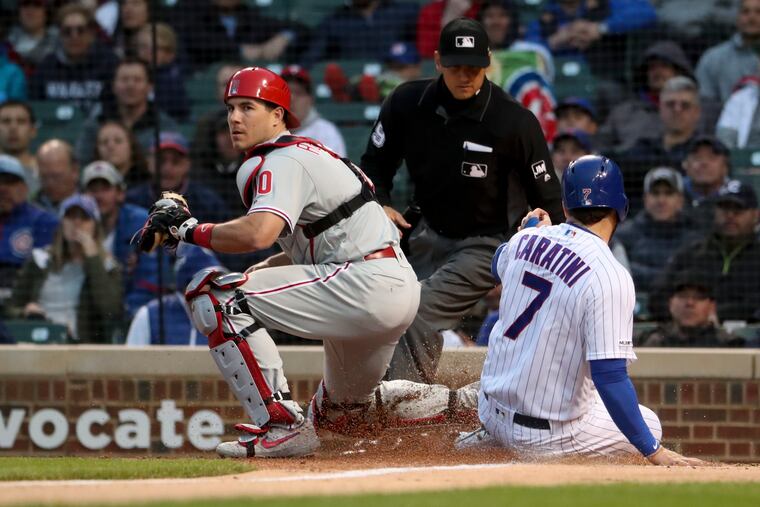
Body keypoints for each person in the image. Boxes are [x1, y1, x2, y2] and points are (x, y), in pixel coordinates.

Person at [133, 66, 477, 458]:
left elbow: (258, 233)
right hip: (386, 283)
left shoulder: (279, 160)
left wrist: (188, 229)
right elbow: (331, 233)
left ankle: (280, 425)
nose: (235, 118)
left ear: (278, 114)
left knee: (219, 298)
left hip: (363, 283)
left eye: (248, 107)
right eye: (230, 108)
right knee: (342, 416)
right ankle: (470, 404)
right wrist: (276, 263)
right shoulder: (308, 153)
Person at [458, 155, 707, 466]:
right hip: (547, 438)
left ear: (565, 207)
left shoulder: (526, 239)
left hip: (491, 411)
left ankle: (493, 439)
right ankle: (540, 464)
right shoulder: (610, 274)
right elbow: (610, 376)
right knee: (649, 423)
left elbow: (498, 263)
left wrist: (531, 232)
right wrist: (653, 450)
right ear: (622, 208)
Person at [361, 18, 564, 383]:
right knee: (380, 309)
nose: (465, 76)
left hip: (486, 244)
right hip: (423, 230)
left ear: (488, 60)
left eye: (474, 66)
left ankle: (401, 409)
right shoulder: (407, 102)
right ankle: (370, 403)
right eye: (456, 66)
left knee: (415, 312)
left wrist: (529, 257)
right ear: (438, 61)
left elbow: (549, 201)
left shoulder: (513, 121)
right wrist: (381, 203)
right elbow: (374, 164)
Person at [9, 194, 122, 343]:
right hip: (38, 340)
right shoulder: (39, 260)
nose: (76, 223)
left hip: (79, 345)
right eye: (70, 217)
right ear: (61, 223)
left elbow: (109, 309)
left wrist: (93, 257)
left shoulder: (108, 266)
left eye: (84, 218)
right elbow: (10, 307)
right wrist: (24, 312)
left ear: (95, 226)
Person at [650, 180, 760, 323]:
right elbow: (656, 298)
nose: (730, 216)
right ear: (715, 211)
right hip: (691, 338)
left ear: (756, 215)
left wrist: (712, 313)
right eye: (725, 209)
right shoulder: (692, 253)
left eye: (738, 210)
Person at [81, 160, 160, 318]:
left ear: (120, 193)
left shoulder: (140, 223)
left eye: (105, 189)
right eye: (92, 190)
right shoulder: (76, 223)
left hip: (130, 308)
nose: (98, 196)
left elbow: (151, 277)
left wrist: (129, 310)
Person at [618, 76, 702, 213]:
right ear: (660, 108)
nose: (677, 110)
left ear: (697, 112)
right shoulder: (642, 148)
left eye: (685, 105)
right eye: (670, 104)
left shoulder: (705, 151)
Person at [76, 58, 179, 165]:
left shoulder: (164, 126)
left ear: (149, 87)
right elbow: (81, 162)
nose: (130, 86)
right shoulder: (95, 124)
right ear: (114, 86)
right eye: (124, 80)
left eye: (137, 80)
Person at [614, 167, 701, 293]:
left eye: (668, 193)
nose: (661, 200)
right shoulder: (622, 235)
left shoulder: (695, 239)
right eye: (655, 193)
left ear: (680, 200)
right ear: (645, 199)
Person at [597, 41, 694, 153]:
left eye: (664, 66)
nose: (657, 72)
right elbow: (601, 150)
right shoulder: (623, 112)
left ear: (679, 71)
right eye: (652, 67)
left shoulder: (700, 110)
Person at [524, 0, 656, 81]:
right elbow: (524, 51)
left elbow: (646, 13)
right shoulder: (542, 13)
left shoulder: (604, 3)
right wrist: (554, 41)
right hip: (555, 80)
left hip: (601, 78)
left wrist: (600, 28)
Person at [28, 3, 119, 115]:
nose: (74, 36)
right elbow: (37, 108)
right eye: (67, 31)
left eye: (80, 30)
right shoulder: (46, 67)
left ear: (91, 34)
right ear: (60, 34)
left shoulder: (109, 64)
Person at [126, 245, 223, 346]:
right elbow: (132, 360)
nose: (213, 287)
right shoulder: (150, 315)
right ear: (186, 286)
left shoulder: (229, 316)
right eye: (205, 282)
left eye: (216, 280)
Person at [126, 131, 230, 224]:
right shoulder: (132, 201)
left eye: (176, 161)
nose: (167, 168)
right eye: (161, 161)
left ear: (187, 165)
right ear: (148, 163)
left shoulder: (209, 203)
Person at [180, 0, 308, 70]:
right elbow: (197, 40)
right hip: (204, 76)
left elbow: (301, 29)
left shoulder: (248, 15)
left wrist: (284, 37)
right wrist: (239, 50)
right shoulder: (190, 10)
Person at [0, 154, 58, 304]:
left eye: (10, 182)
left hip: (22, 300)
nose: (3, 188)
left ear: (24, 188)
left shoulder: (43, 221)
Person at [300, 0, 419, 68]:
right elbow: (312, 56)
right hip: (352, 80)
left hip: (394, 73)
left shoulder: (403, 11)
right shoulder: (336, 20)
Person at [638, 276, 743, 348]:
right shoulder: (653, 341)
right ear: (670, 303)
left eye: (698, 298)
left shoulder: (729, 344)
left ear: (712, 306)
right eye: (683, 296)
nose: (690, 303)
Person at [696, 0, 760, 104]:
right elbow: (705, 103)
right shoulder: (713, 58)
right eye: (745, 12)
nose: (752, 17)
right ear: (737, 18)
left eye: (758, 12)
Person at [281, 65, 346, 157]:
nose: (292, 98)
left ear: (310, 100)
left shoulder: (326, 131)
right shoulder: (267, 130)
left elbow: (337, 170)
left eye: (299, 93)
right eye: (286, 92)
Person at [134, 23, 190, 122]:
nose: (145, 53)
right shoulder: (131, 74)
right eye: (142, 47)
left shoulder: (173, 83)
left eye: (153, 48)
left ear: (170, 53)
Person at [681, 136, 731, 230]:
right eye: (697, 158)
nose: (704, 163)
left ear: (725, 166)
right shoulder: (672, 193)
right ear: (685, 165)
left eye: (712, 158)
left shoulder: (739, 197)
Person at [6, 0, 59, 75]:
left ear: (46, 12)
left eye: (37, 4)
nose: (30, 10)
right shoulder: (6, 46)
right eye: (25, 4)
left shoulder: (61, 43)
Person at [93, 120, 150, 187]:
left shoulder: (149, 182)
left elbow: (165, 195)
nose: (110, 146)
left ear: (131, 146)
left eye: (118, 141)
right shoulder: (89, 186)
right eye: (104, 142)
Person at [0, 101, 39, 194]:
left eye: (21, 121)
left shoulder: (44, 172)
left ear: (33, 130)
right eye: (6, 121)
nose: (13, 127)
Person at [34, 139, 79, 214]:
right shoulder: (30, 208)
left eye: (56, 177)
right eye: (44, 177)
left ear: (75, 171)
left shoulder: (94, 204)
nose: (50, 183)